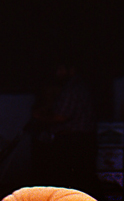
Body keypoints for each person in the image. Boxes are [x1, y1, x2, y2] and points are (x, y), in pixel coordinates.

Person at [27, 60, 98, 193]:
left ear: (71, 70)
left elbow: (61, 117)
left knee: (70, 181)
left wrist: (39, 117)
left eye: (61, 69)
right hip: (79, 140)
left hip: (75, 140)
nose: (58, 73)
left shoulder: (73, 87)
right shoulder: (75, 86)